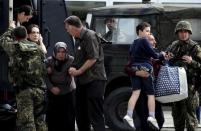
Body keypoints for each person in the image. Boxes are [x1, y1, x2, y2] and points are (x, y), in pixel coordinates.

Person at [64, 15, 107, 131]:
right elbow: (80, 59)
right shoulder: (78, 39)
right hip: (83, 81)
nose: (67, 31)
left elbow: (93, 58)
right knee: (81, 112)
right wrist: (72, 67)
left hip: (94, 80)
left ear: (73, 27)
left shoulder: (90, 36)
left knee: (95, 114)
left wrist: (78, 71)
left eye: (67, 28)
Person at [0, 26, 47, 131]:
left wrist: (10, 28)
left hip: (25, 91)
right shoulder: (37, 48)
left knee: (27, 123)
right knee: (40, 121)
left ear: (15, 37)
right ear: (26, 35)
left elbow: (2, 40)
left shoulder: (15, 47)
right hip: (40, 90)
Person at [123, 22, 165, 130]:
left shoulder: (133, 43)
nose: (148, 34)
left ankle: (128, 115)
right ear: (140, 31)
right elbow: (154, 54)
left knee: (135, 92)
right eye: (147, 31)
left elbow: (132, 58)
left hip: (135, 68)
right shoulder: (144, 41)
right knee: (151, 94)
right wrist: (162, 55)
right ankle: (151, 117)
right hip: (146, 68)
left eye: (149, 32)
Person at [166, 20, 201, 131]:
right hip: (176, 85)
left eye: (185, 31)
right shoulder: (173, 45)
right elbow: (166, 61)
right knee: (177, 115)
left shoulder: (195, 47)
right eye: (180, 31)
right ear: (177, 32)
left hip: (190, 86)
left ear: (189, 32)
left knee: (190, 115)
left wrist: (192, 62)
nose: (183, 33)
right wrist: (167, 58)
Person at [45, 42, 75, 131]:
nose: (61, 54)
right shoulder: (49, 61)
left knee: (68, 118)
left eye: (63, 52)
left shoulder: (71, 60)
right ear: (55, 52)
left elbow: (73, 75)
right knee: (53, 118)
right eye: (59, 52)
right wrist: (51, 88)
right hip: (53, 92)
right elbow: (45, 77)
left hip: (67, 92)